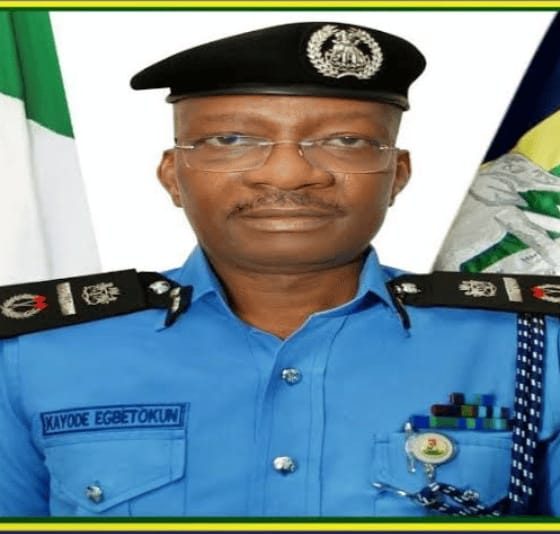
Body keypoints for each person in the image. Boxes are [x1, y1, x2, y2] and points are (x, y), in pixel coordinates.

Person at [0, 21, 559, 518]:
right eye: (231, 139)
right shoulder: (37, 353)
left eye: (346, 140)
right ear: (173, 175)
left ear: (398, 174)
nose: (289, 174)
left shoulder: (532, 344)